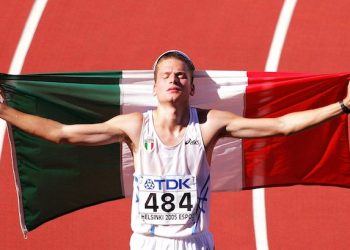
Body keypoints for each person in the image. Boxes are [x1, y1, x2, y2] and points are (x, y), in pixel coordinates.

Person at [0, 50, 349, 249]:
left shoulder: (211, 124)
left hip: (194, 243)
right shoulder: (135, 127)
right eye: (166, 75)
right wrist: (4, 111)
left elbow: (281, 126)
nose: (173, 80)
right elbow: (62, 133)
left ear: (192, 88)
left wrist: (342, 107)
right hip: (148, 243)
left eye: (181, 75)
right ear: (154, 87)